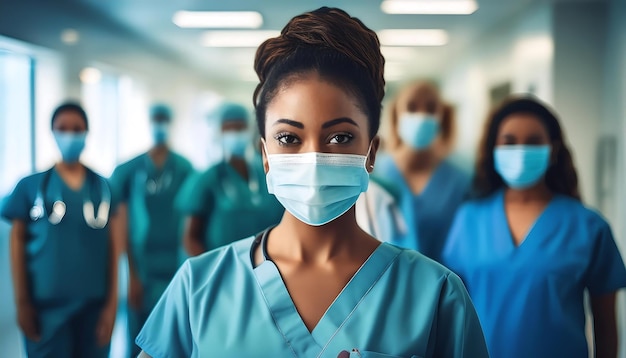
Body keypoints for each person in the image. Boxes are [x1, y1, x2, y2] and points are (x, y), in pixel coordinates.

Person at [136, 7, 488, 357]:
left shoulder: (435, 295)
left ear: (371, 153)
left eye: (339, 138)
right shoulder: (198, 287)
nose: (313, 159)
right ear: (264, 155)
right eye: (289, 138)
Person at [442, 96, 626, 358]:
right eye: (509, 142)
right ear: (493, 149)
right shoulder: (469, 219)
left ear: (553, 150)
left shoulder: (588, 226)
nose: (520, 151)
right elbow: (450, 313)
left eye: (533, 142)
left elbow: (606, 327)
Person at [1, 102, 120, 357]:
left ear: (87, 132)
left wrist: (111, 308)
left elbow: (115, 249)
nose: (70, 135)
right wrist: (22, 303)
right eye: (63, 128)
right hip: (45, 311)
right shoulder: (30, 187)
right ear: (52, 132)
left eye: (77, 129)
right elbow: (17, 243)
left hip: (94, 309)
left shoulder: (104, 189)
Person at [109, 103, 193, 357]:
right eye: (156, 119)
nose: (160, 125)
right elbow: (120, 224)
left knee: (175, 337)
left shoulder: (184, 168)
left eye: (164, 119)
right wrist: (132, 275)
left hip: (176, 266)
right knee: (139, 338)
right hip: (142, 270)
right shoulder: (130, 170)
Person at [374, 81, 470, 262]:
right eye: (411, 107)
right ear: (396, 116)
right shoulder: (376, 173)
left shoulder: (460, 180)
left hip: (446, 283)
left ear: (442, 117)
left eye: (431, 108)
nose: (421, 115)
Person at [176, 101, 283, 256]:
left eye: (240, 127)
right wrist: (212, 273)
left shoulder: (268, 171)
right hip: (223, 270)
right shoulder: (207, 179)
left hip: (269, 266)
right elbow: (189, 238)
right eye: (229, 129)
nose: (236, 133)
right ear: (219, 132)